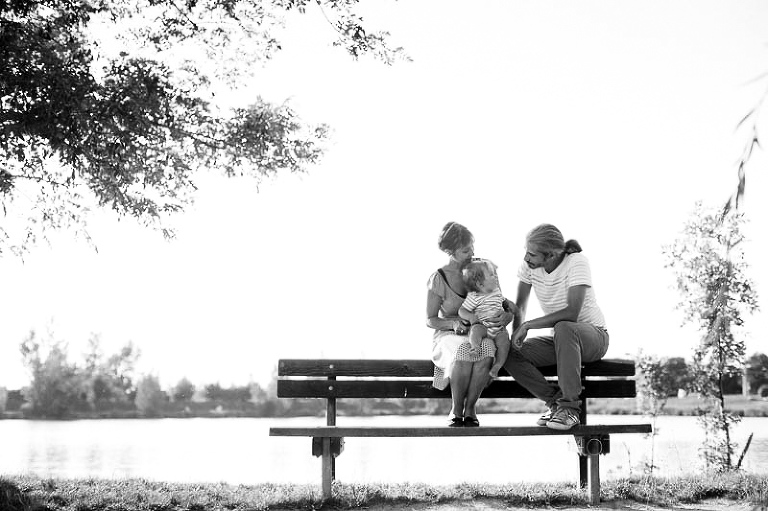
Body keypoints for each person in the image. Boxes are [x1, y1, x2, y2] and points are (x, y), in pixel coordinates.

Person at [502, 223, 609, 431]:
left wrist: (529, 325)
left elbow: (572, 313)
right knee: (509, 353)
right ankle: (556, 404)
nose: (526, 258)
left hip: (594, 338)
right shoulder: (529, 268)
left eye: (532, 254)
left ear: (550, 255)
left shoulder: (576, 263)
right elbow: (521, 306)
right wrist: (515, 337)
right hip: (562, 341)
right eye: (526, 251)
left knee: (564, 326)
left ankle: (570, 409)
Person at [426, 222, 501, 427]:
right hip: (448, 334)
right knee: (463, 349)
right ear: (450, 251)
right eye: (465, 250)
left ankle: (470, 409)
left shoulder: (484, 268)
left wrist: (506, 316)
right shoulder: (439, 278)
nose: (472, 253)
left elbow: (498, 301)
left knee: (486, 349)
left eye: (472, 247)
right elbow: (431, 319)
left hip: (480, 330)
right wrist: (454, 323)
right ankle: (456, 409)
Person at [459, 258, 516, 379]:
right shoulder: (474, 296)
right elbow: (462, 311)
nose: (495, 277)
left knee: (505, 343)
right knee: (475, 331)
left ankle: (497, 367)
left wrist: (511, 309)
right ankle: (475, 347)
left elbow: (506, 305)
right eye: (491, 275)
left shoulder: (497, 293)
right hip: (483, 326)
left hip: (498, 329)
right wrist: (471, 317)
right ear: (480, 284)